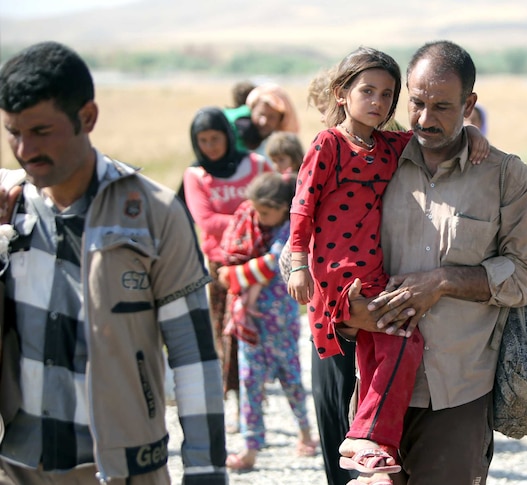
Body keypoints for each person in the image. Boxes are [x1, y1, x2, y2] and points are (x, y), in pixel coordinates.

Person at [0, 41, 227, 484]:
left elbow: (193, 357)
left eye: (42, 131)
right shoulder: (7, 208)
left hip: (122, 470)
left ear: (87, 117)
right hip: (18, 466)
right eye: (13, 132)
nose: (25, 149)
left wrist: (204, 471)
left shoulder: (154, 213)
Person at [334, 40, 527, 485]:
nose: (426, 120)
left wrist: (446, 280)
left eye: (443, 107)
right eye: (416, 103)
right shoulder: (370, 162)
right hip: (375, 397)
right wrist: (346, 314)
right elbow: (312, 253)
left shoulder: (505, 176)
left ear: (470, 104)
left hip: (459, 395)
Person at [285, 46, 489, 484]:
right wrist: (297, 262)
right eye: (368, 91)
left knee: (391, 347)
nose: (377, 102)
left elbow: (432, 139)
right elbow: (302, 206)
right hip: (337, 275)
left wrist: (471, 134)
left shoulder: (389, 145)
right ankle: (369, 436)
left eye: (387, 95)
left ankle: (372, 441)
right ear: (342, 94)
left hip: (372, 273)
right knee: (401, 341)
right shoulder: (328, 144)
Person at [216, 172, 317, 470]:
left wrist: (234, 280)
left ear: (284, 207)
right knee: (250, 383)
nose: (259, 217)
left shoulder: (289, 231)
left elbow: (272, 264)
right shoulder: (253, 229)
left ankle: (305, 432)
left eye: (266, 212)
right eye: (257, 210)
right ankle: (250, 447)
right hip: (252, 326)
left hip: (280, 322)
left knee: (292, 381)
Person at [182, 106, 272, 428]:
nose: (210, 146)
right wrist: (251, 216)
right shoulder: (196, 175)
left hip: (263, 264)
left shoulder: (257, 164)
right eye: (202, 140)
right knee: (228, 333)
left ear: (228, 136)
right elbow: (204, 219)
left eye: (215, 138)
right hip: (221, 269)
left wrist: (241, 220)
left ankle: (265, 397)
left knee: (268, 330)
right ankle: (235, 404)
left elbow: (276, 202)